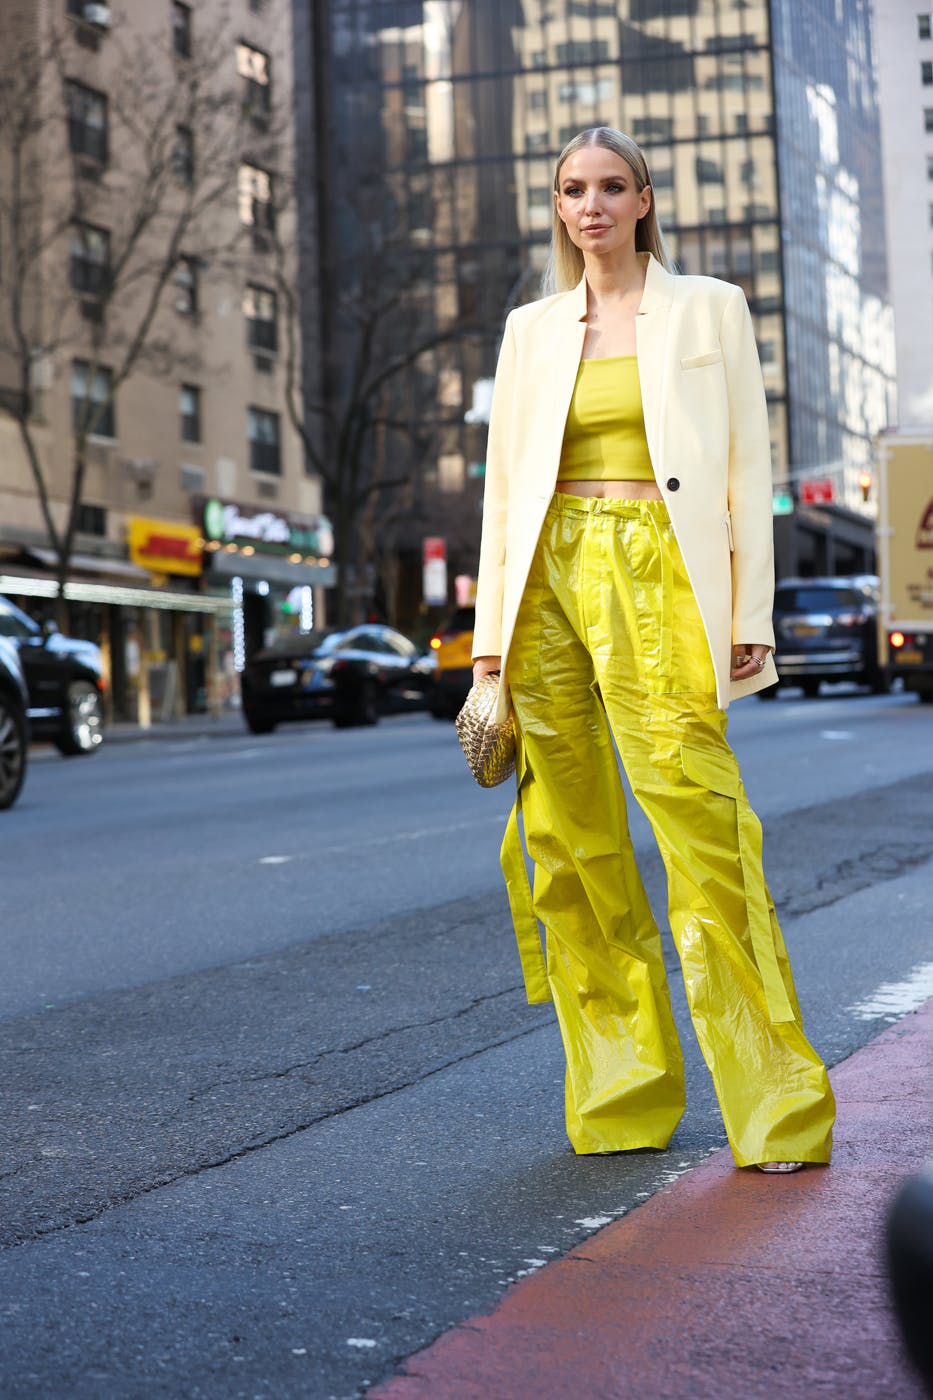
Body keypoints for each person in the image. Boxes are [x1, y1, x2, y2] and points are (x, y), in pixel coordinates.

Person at [471, 127, 835, 1173]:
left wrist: (747, 615)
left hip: (663, 572)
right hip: (547, 582)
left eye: (610, 188)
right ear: (559, 207)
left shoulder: (710, 309)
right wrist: (490, 653)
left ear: (643, 201)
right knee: (570, 845)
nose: (590, 206)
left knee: (703, 832)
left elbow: (743, 472)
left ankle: (778, 1107)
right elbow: (504, 498)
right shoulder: (531, 330)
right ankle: (623, 1089)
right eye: (571, 190)